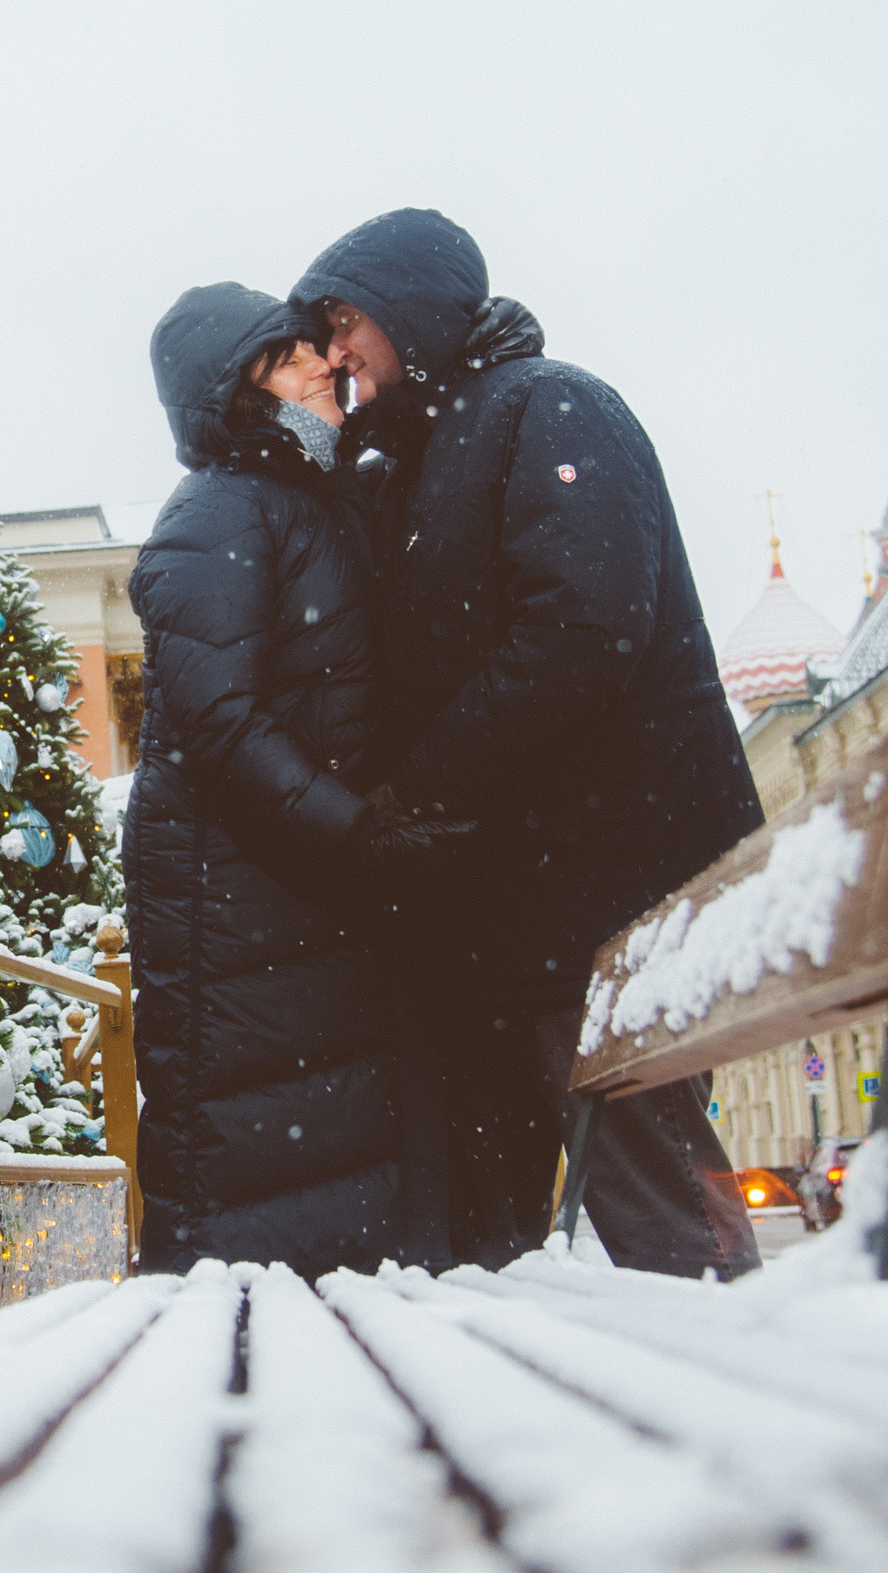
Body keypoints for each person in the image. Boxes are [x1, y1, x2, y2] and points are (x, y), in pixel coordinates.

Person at [291, 208, 763, 1278]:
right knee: (494, 1237)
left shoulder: (549, 409)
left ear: (409, 305)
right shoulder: (420, 451)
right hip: (508, 913)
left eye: (345, 317)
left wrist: (418, 785)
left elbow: (581, 629)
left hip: (594, 902)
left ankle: (751, 1395)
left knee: (658, 1207)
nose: (335, 350)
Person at [126, 282, 458, 1279]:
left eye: (310, 346)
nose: (321, 362)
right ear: (234, 394)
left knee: (321, 1179)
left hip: (292, 891)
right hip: (236, 903)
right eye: (285, 356)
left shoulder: (307, 497)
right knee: (249, 1198)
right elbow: (220, 720)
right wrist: (354, 832)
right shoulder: (218, 511)